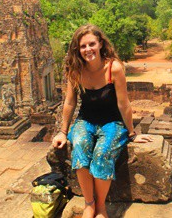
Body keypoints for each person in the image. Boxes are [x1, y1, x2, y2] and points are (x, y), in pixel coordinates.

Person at [52, 24, 152, 218]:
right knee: (80, 146)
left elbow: (124, 104)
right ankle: (89, 203)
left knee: (102, 153)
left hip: (112, 122)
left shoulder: (113, 68)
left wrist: (132, 134)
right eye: (83, 46)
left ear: (100, 44)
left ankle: (101, 207)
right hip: (86, 120)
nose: (88, 49)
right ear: (77, 49)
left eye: (92, 44)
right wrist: (63, 132)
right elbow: (70, 102)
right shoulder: (75, 69)